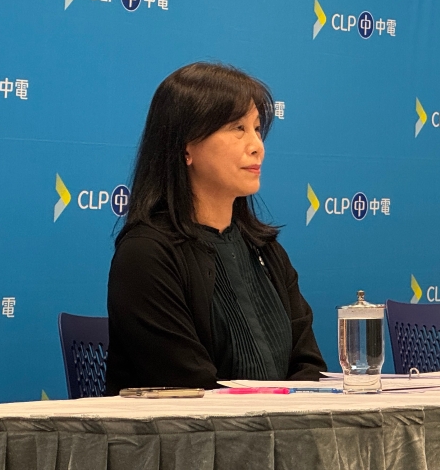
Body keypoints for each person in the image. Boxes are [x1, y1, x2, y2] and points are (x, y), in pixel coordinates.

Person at [106, 62, 326, 393]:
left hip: (281, 424)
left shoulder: (266, 251)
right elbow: (190, 388)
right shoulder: (147, 254)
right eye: (237, 128)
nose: (257, 146)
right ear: (186, 146)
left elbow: (309, 367)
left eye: (256, 129)